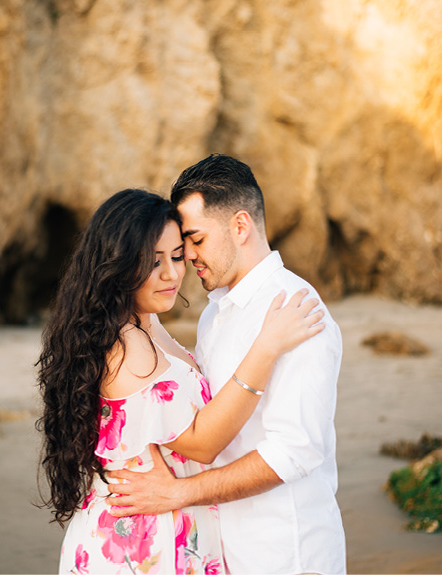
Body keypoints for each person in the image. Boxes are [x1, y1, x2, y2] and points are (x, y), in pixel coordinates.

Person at [36, 188, 325, 574]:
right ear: (118, 264)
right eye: (154, 263)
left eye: (177, 256)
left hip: (168, 523)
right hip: (139, 544)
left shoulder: (147, 323)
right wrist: (266, 347)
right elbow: (202, 443)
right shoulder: (125, 345)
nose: (172, 274)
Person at [107, 156, 346, 574]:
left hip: (284, 549)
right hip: (220, 545)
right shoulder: (214, 314)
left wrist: (180, 493)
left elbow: (295, 451)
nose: (188, 258)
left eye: (195, 240)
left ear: (240, 226)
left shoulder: (296, 310)